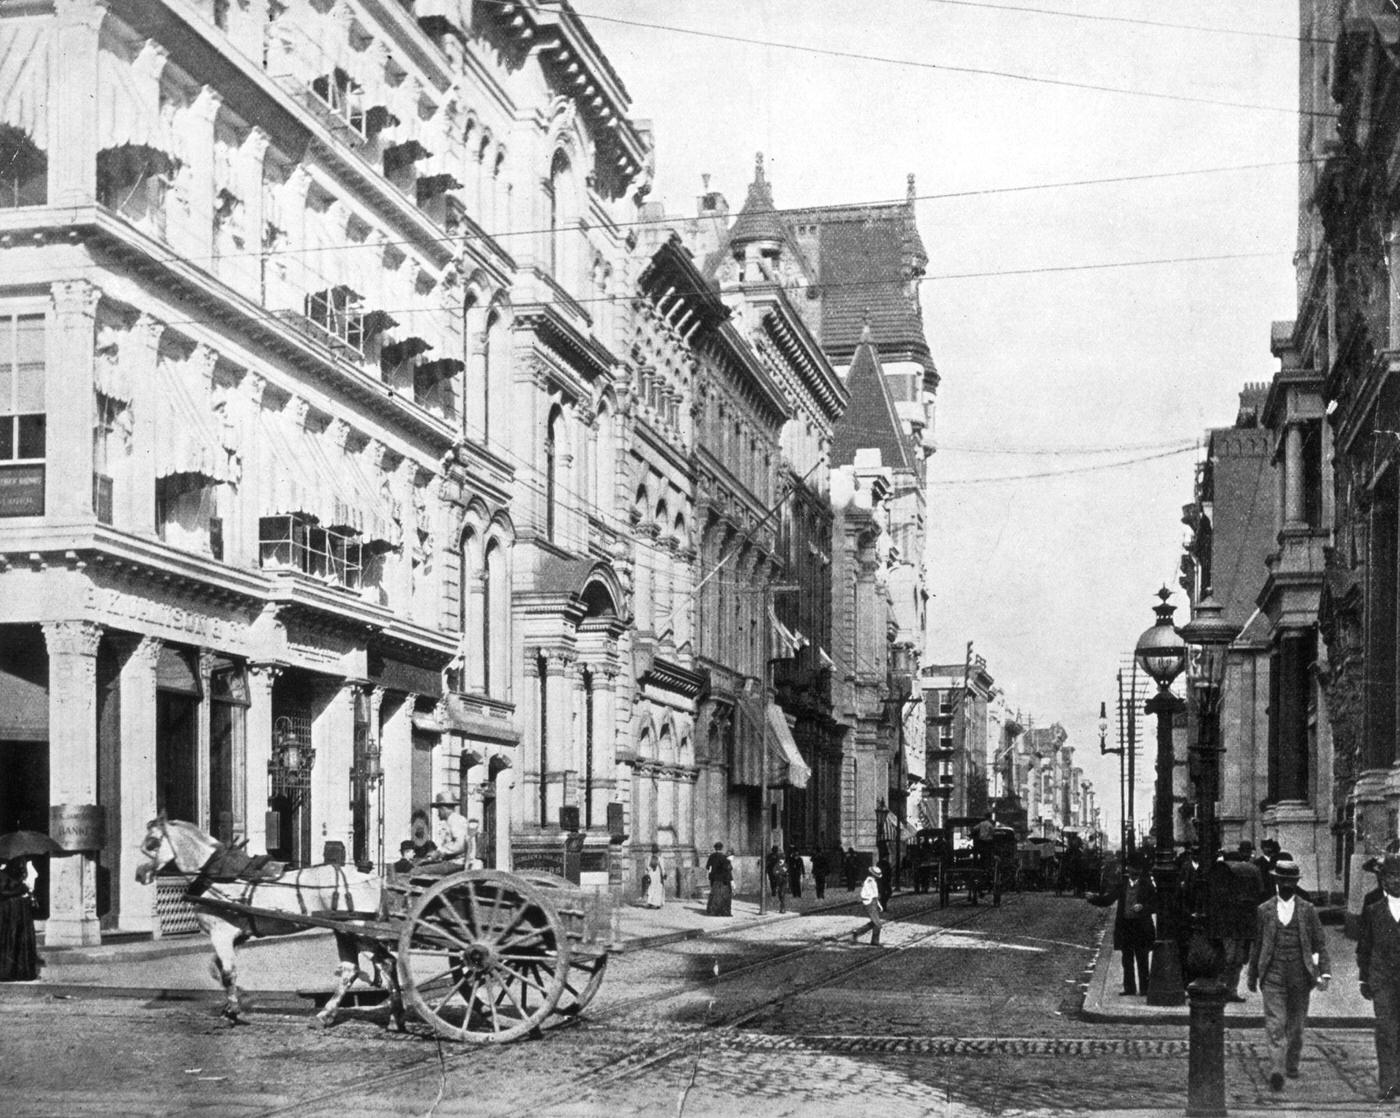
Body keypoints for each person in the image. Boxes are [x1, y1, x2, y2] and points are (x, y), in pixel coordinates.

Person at [1247, 859, 1331, 1092]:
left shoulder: (1307, 910)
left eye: (1291, 881)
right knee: (1276, 1024)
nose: (1287, 885)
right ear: (1276, 881)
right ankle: (1277, 1070)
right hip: (1272, 975)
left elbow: (1319, 943)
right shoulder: (1263, 910)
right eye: (1283, 880)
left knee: (1295, 1027)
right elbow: (1257, 944)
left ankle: (1291, 1063)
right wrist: (1252, 976)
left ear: (1296, 883)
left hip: (1300, 976)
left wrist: (1324, 972)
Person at [1357, 852, 1400, 1102]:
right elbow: (1364, 946)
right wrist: (1364, 978)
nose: (1396, 882)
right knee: (1385, 1029)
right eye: (1391, 876)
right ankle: (1388, 1083)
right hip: (1382, 979)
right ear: (1383, 880)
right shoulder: (1373, 910)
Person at [1088, 855, 1156, 997]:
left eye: (1136, 871)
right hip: (1126, 927)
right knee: (1127, 959)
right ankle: (1129, 988)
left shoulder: (1147, 885)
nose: (1133, 873)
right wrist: (1093, 898)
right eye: (1131, 870)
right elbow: (1108, 899)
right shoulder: (1122, 885)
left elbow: (1156, 904)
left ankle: (1144, 988)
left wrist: (1143, 907)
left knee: (1142, 959)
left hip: (1141, 927)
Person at [0, 858, 39, 982]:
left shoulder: (19, 873)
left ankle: (15, 970)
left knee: (17, 938)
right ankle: (9, 970)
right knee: (10, 938)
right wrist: (21, 889)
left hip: (18, 910)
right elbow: (3, 891)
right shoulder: (4, 875)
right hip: (9, 910)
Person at [433, 793, 470, 864]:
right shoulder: (449, 821)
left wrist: (440, 852)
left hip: (457, 862)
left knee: (419, 872)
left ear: (443, 809)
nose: (438, 814)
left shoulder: (456, 820)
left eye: (438, 810)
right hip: (451, 861)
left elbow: (460, 845)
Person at [856, 865, 884, 945]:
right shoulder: (869, 881)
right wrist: (871, 900)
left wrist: (878, 904)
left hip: (873, 902)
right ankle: (875, 942)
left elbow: (875, 894)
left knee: (874, 922)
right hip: (870, 903)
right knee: (877, 924)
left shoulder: (873, 881)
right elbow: (866, 894)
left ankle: (857, 932)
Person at [705, 842, 733, 917]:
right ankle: (722, 911)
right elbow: (728, 869)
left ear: (715, 848)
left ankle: (712, 911)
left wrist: (710, 874)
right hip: (722, 880)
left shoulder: (711, 856)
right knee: (723, 895)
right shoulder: (724, 857)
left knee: (714, 895)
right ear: (721, 848)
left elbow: (708, 867)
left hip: (714, 878)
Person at [766, 845, 788, 913]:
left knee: (781, 893)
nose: (781, 860)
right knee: (780, 893)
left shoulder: (785, 865)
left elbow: (786, 871)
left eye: (783, 859)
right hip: (778, 878)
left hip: (783, 880)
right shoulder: (776, 865)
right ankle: (782, 906)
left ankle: (782, 908)